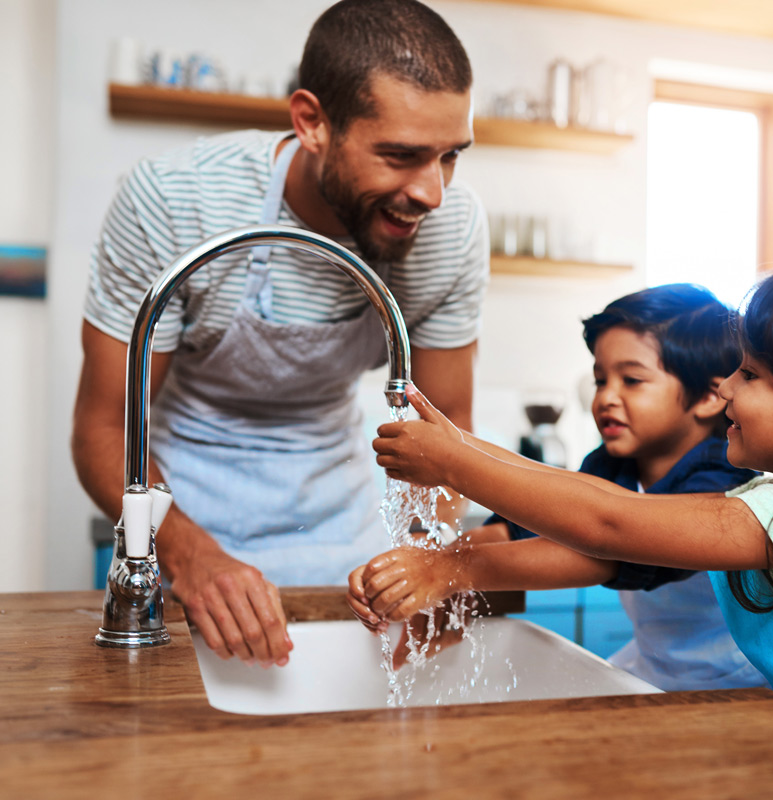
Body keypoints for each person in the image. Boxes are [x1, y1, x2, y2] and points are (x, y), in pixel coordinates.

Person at [362, 245, 773, 779]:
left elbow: (610, 527)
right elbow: (591, 501)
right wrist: (461, 453)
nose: (726, 387)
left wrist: (455, 471)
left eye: (750, 376)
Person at [71, 0, 488, 669]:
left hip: (340, 522)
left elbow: (449, 426)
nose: (432, 192)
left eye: (449, 157)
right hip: (182, 505)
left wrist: (428, 554)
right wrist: (186, 554)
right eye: (401, 156)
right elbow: (104, 431)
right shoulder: (176, 202)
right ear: (312, 123)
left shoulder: (451, 230)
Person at [350, 284, 767, 691]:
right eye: (601, 380)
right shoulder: (612, 463)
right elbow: (522, 526)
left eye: (632, 381)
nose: (606, 397)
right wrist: (417, 566)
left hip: (743, 686)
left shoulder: (725, 475)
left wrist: (449, 568)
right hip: (653, 671)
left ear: (712, 396)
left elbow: (609, 547)